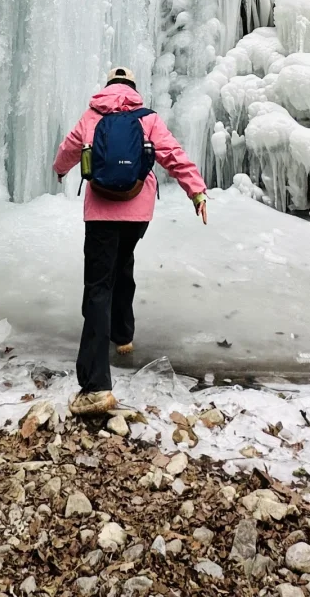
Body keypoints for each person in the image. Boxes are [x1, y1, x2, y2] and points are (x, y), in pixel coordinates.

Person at [54, 64, 207, 416]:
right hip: (138, 215)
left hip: (101, 215)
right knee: (123, 264)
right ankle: (122, 335)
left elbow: (68, 150)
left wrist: (60, 169)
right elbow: (173, 156)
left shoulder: (92, 116)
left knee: (97, 287)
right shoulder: (147, 118)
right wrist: (196, 192)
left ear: (107, 87)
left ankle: (96, 385)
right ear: (134, 89)